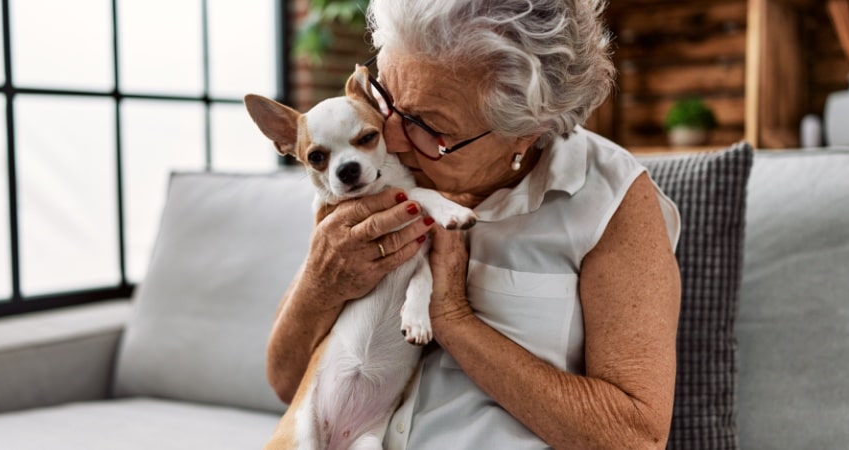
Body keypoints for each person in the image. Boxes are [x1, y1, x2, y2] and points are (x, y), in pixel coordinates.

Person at [266, 0, 682, 448]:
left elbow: (635, 439)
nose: (390, 137)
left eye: (427, 124)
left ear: (526, 128)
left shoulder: (609, 198)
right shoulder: (377, 174)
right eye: (387, 98)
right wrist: (320, 281)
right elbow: (287, 384)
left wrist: (453, 319)